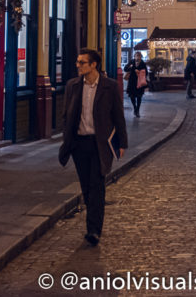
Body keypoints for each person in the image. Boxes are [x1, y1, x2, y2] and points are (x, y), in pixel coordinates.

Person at [58, 48, 128, 247]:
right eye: (78, 62)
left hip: (100, 144)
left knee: (97, 185)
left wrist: (122, 142)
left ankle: (94, 230)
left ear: (93, 64)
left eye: (82, 62)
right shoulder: (72, 86)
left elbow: (118, 116)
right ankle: (93, 221)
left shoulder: (109, 86)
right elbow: (67, 115)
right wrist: (66, 137)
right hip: (79, 143)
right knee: (86, 187)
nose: (78, 65)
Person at [123, 52, 148, 117]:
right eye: (136, 56)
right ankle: (135, 107)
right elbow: (125, 69)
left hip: (140, 82)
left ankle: (137, 110)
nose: (137, 57)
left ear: (141, 57)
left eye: (139, 56)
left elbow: (146, 72)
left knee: (139, 97)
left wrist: (140, 72)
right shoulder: (131, 62)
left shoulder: (142, 63)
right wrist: (132, 68)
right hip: (132, 82)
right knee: (132, 96)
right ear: (134, 56)